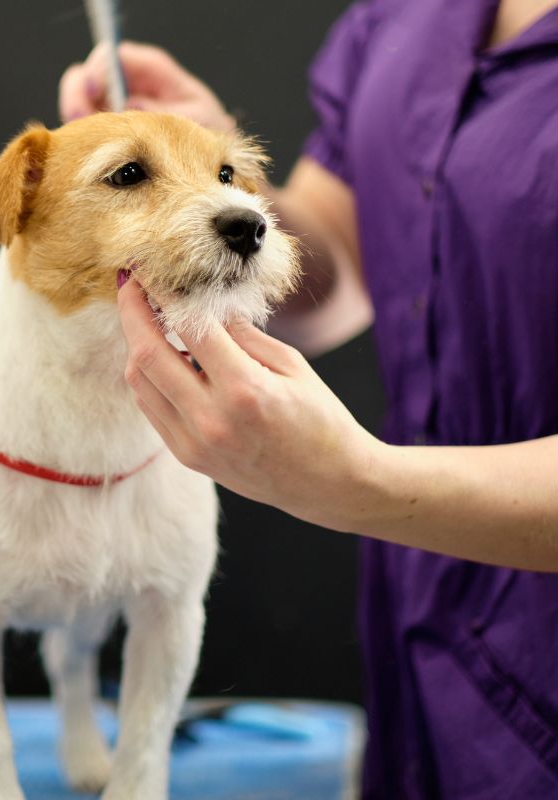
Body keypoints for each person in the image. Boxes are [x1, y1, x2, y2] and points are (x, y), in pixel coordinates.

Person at [59, 1, 558, 797]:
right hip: (424, 631)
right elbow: (333, 260)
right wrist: (216, 180)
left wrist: (360, 482)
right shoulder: (400, 19)